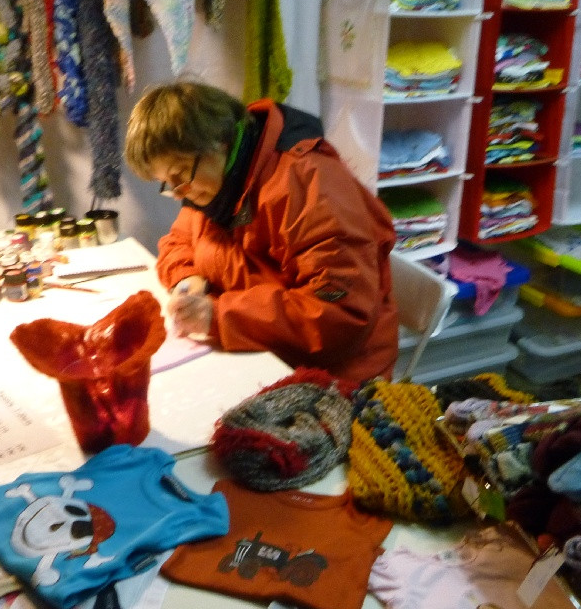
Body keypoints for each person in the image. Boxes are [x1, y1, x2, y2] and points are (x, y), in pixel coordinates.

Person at [124, 80, 400, 385]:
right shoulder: (215, 186)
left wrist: (219, 316)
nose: (178, 193)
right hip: (265, 354)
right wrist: (187, 279)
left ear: (217, 143)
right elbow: (179, 241)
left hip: (335, 376)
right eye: (167, 182)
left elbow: (338, 314)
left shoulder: (312, 187)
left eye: (179, 174)